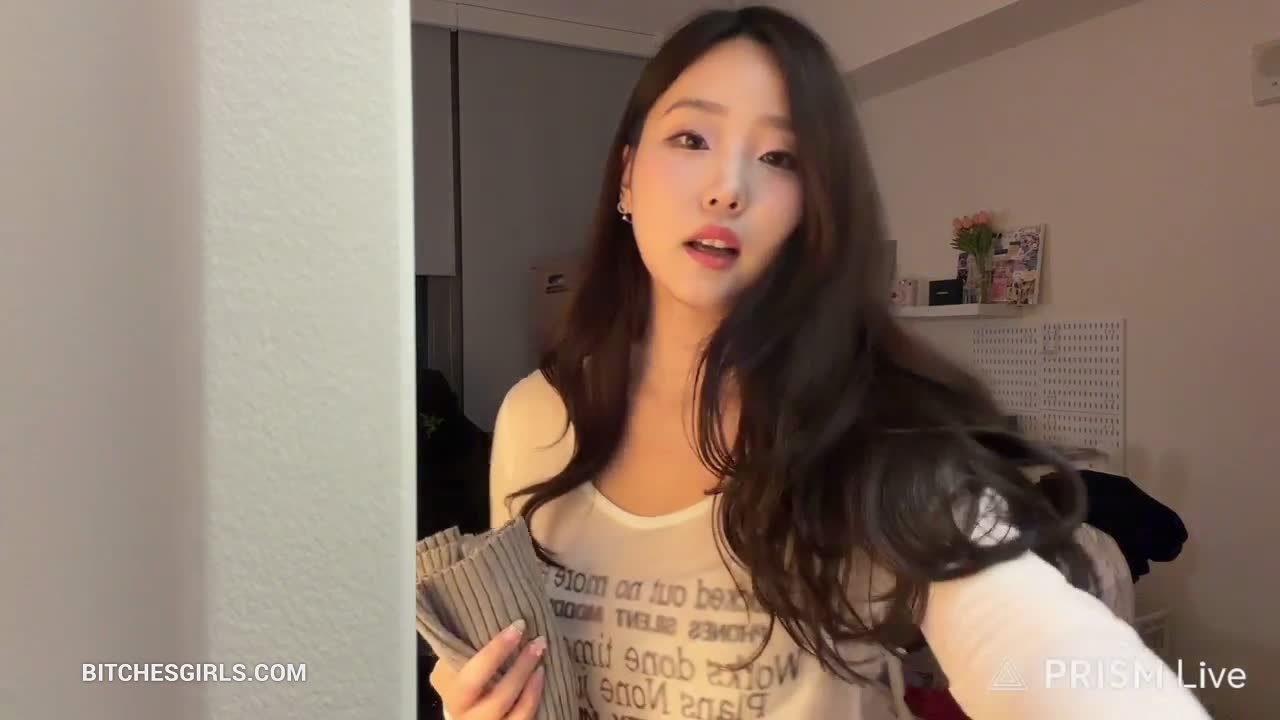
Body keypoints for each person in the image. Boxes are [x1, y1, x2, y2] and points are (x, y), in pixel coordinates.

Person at [428, 6, 1211, 719]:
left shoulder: (872, 433)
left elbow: (1046, 650)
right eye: (692, 139)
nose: (727, 188)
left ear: (814, 208)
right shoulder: (536, 419)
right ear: (627, 173)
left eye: (779, 157)